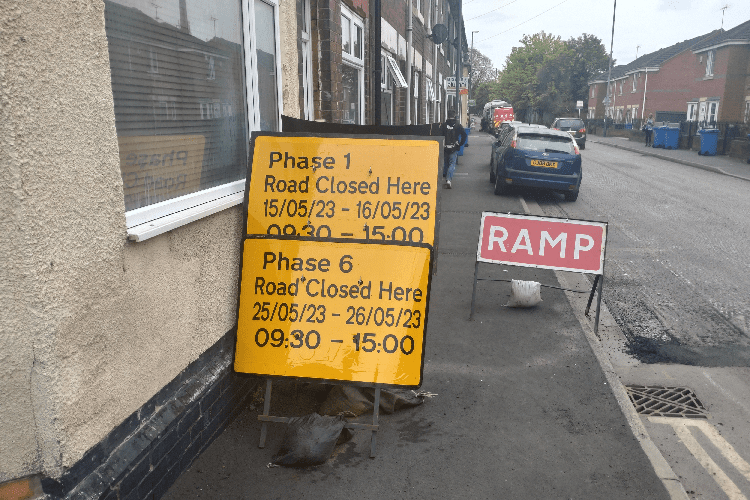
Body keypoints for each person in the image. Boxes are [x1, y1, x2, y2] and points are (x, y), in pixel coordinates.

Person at [440, 109, 467, 189]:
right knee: (452, 163)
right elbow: (464, 135)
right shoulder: (458, 125)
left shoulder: (443, 125)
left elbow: (440, 136)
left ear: (447, 116)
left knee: (445, 163)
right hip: (454, 147)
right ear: (454, 115)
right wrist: (460, 144)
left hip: (445, 147)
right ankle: (449, 180)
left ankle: (445, 177)